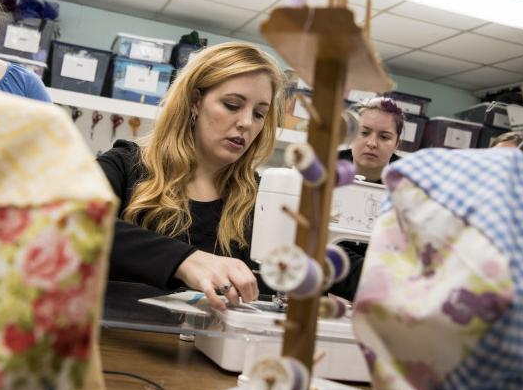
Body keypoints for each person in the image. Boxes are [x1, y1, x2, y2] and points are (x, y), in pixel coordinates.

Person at [98, 42, 364, 310]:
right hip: (121, 345)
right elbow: (71, 217)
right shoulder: (126, 167)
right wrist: (184, 260)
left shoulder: (264, 199)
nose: (247, 123)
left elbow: (340, 263)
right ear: (194, 102)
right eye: (232, 104)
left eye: (259, 114)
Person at [339, 96, 404, 184]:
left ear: (396, 144)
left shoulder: (408, 178)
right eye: (364, 133)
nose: (372, 143)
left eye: (384, 137)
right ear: (352, 134)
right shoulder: (329, 164)